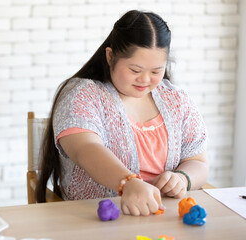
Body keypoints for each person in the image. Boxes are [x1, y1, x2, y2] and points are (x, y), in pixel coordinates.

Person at [35, 10, 208, 216]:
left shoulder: (177, 99)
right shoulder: (83, 94)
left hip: (164, 217)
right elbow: (85, 149)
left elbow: (198, 161)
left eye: (156, 71)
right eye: (135, 70)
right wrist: (128, 183)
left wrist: (182, 178)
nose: (145, 80)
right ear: (110, 56)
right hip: (96, 220)